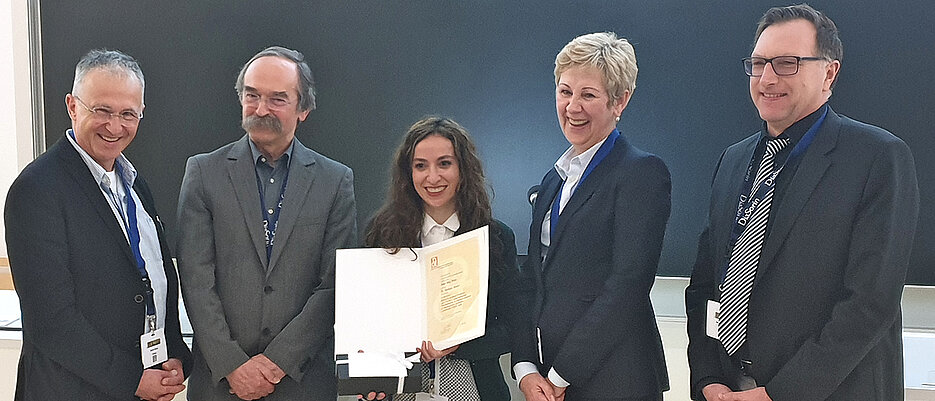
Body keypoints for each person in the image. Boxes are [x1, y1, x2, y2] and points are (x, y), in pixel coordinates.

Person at [685, 4, 919, 401]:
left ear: (829, 72)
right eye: (758, 64)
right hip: (729, 390)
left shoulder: (878, 158)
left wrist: (780, 394)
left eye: (787, 63)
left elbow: (869, 303)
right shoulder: (733, 160)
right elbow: (707, 283)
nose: (767, 78)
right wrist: (707, 378)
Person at [4, 49, 192, 400]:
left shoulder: (135, 183)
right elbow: (53, 322)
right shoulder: (36, 190)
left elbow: (153, 276)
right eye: (102, 110)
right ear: (73, 106)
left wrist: (173, 353)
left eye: (128, 114)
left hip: (138, 385)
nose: (115, 126)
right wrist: (133, 380)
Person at [176, 46, 358, 400]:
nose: (261, 109)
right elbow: (195, 279)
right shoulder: (202, 173)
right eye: (252, 95)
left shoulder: (335, 181)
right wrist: (232, 365)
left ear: (303, 108)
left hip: (302, 383)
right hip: (220, 383)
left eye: (277, 99)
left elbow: (334, 286)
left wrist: (276, 363)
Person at [512, 32, 671, 401]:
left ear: (620, 101)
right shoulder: (554, 179)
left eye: (588, 95)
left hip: (614, 378)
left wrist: (561, 374)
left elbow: (627, 284)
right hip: (548, 376)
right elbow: (532, 279)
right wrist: (525, 366)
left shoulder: (641, 173)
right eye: (565, 91)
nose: (572, 107)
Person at [363, 116, 519, 401]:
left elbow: (512, 326)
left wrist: (460, 344)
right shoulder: (382, 233)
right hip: (399, 390)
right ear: (407, 173)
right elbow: (368, 321)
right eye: (420, 166)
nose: (432, 177)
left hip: (476, 387)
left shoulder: (495, 237)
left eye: (445, 164)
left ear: (463, 169)